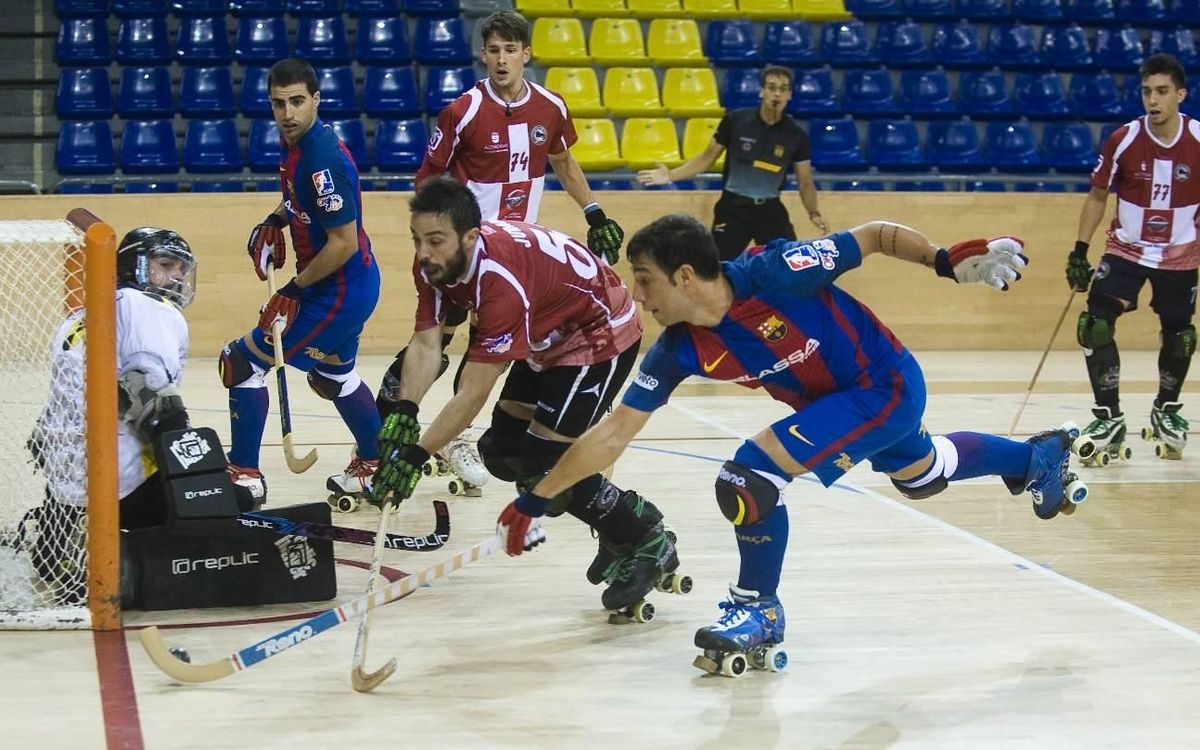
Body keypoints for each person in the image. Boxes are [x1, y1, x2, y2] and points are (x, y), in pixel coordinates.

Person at [496, 214, 1088, 671]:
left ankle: (758, 608)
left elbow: (875, 235)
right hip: (836, 407)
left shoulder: (775, 270)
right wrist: (536, 498)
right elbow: (614, 432)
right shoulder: (678, 347)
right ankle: (1039, 456)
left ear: (683, 276)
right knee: (924, 476)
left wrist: (942, 260)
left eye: (644, 281)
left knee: (746, 479)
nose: (639, 296)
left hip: (883, 383)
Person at [370, 177, 676, 612]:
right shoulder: (437, 265)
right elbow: (425, 343)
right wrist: (405, 408)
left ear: (469, 237)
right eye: (418, 239)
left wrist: (416, 456)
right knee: (503, 452)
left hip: (597, 335)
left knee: (541, 468)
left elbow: (472, 394)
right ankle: (616, 525)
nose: (423, 252)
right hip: (547, 333)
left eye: (435, 240)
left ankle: (644, 535)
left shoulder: (498, 283)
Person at [378, 9, 625, 491]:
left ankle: (454, 440)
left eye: (510, 50)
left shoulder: (551, 107)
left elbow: (563, 159)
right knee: (435, 338)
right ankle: (385, 433)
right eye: (492, 50)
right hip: (466, 255)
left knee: (484, 351)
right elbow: (428, 182)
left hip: (514, 260)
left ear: (526, 54)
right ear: (483, 55)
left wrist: (593, 211)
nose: (501, 59)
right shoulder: (463, 111)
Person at [221, 57, 382, 505]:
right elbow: (299, 197)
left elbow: (343, 241)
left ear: (316, 100)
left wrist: (294, 288)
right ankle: (376, 464)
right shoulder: (303, 145)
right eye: (278, 104)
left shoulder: (320, 159)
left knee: (239, 362)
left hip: (337, 290)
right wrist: (276, 219)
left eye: (297, 102)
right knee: (334, 377)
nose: (287, 113)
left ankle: (244, 477)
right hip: (351, 286)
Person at [29, 226, 197, 603]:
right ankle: (113, 548)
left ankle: (63, 536)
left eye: (182, 270)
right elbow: (151, 398)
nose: (177, 278)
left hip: (68, 489)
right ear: (135, 266)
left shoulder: (78, 317)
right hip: (119, 486)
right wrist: (196, 478)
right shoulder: (149, 308)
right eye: (166, 265)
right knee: (236, 499)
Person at [1066, 52, 1199, 462]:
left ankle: (1166, 410)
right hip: (1126, 250)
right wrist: (1080, 251)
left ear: (1181, 94)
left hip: (1180, 255)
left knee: (1180, 333)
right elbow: (1097, 196)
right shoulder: (1122, 138)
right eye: (1146, 92)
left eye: (1161, 92)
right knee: (1094, 325)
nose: (1153, 100)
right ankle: (1109, 416)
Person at [636, 64, 828, 261]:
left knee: (790, 263)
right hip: (733, 208)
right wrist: (671, 175)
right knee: (715, 267)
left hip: (770, 210)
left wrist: (813, 212)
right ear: (761, 91)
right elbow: (706, 158)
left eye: (783, 88)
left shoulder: (796, 135)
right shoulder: (735, 121)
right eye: (771, 87)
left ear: (789, 95)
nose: (776, 94)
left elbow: (805, 181)